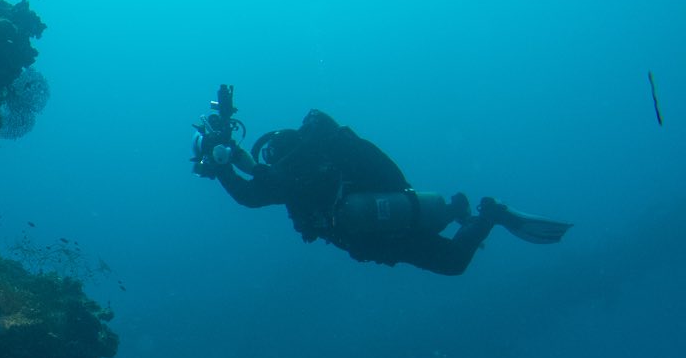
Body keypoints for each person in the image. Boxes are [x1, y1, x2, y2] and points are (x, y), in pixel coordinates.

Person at [190, 85, 569, 275]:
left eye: (270, 155)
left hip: (379, 228)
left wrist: (221, 167)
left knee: (452, 262)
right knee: (438, 246)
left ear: (283, 151)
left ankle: (488, 214)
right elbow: (259, 177)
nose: (268, 162)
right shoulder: (308, 167)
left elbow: (251, 195)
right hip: (388, 213)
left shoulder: (297, 173)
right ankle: (458, 210)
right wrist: (229, 156)